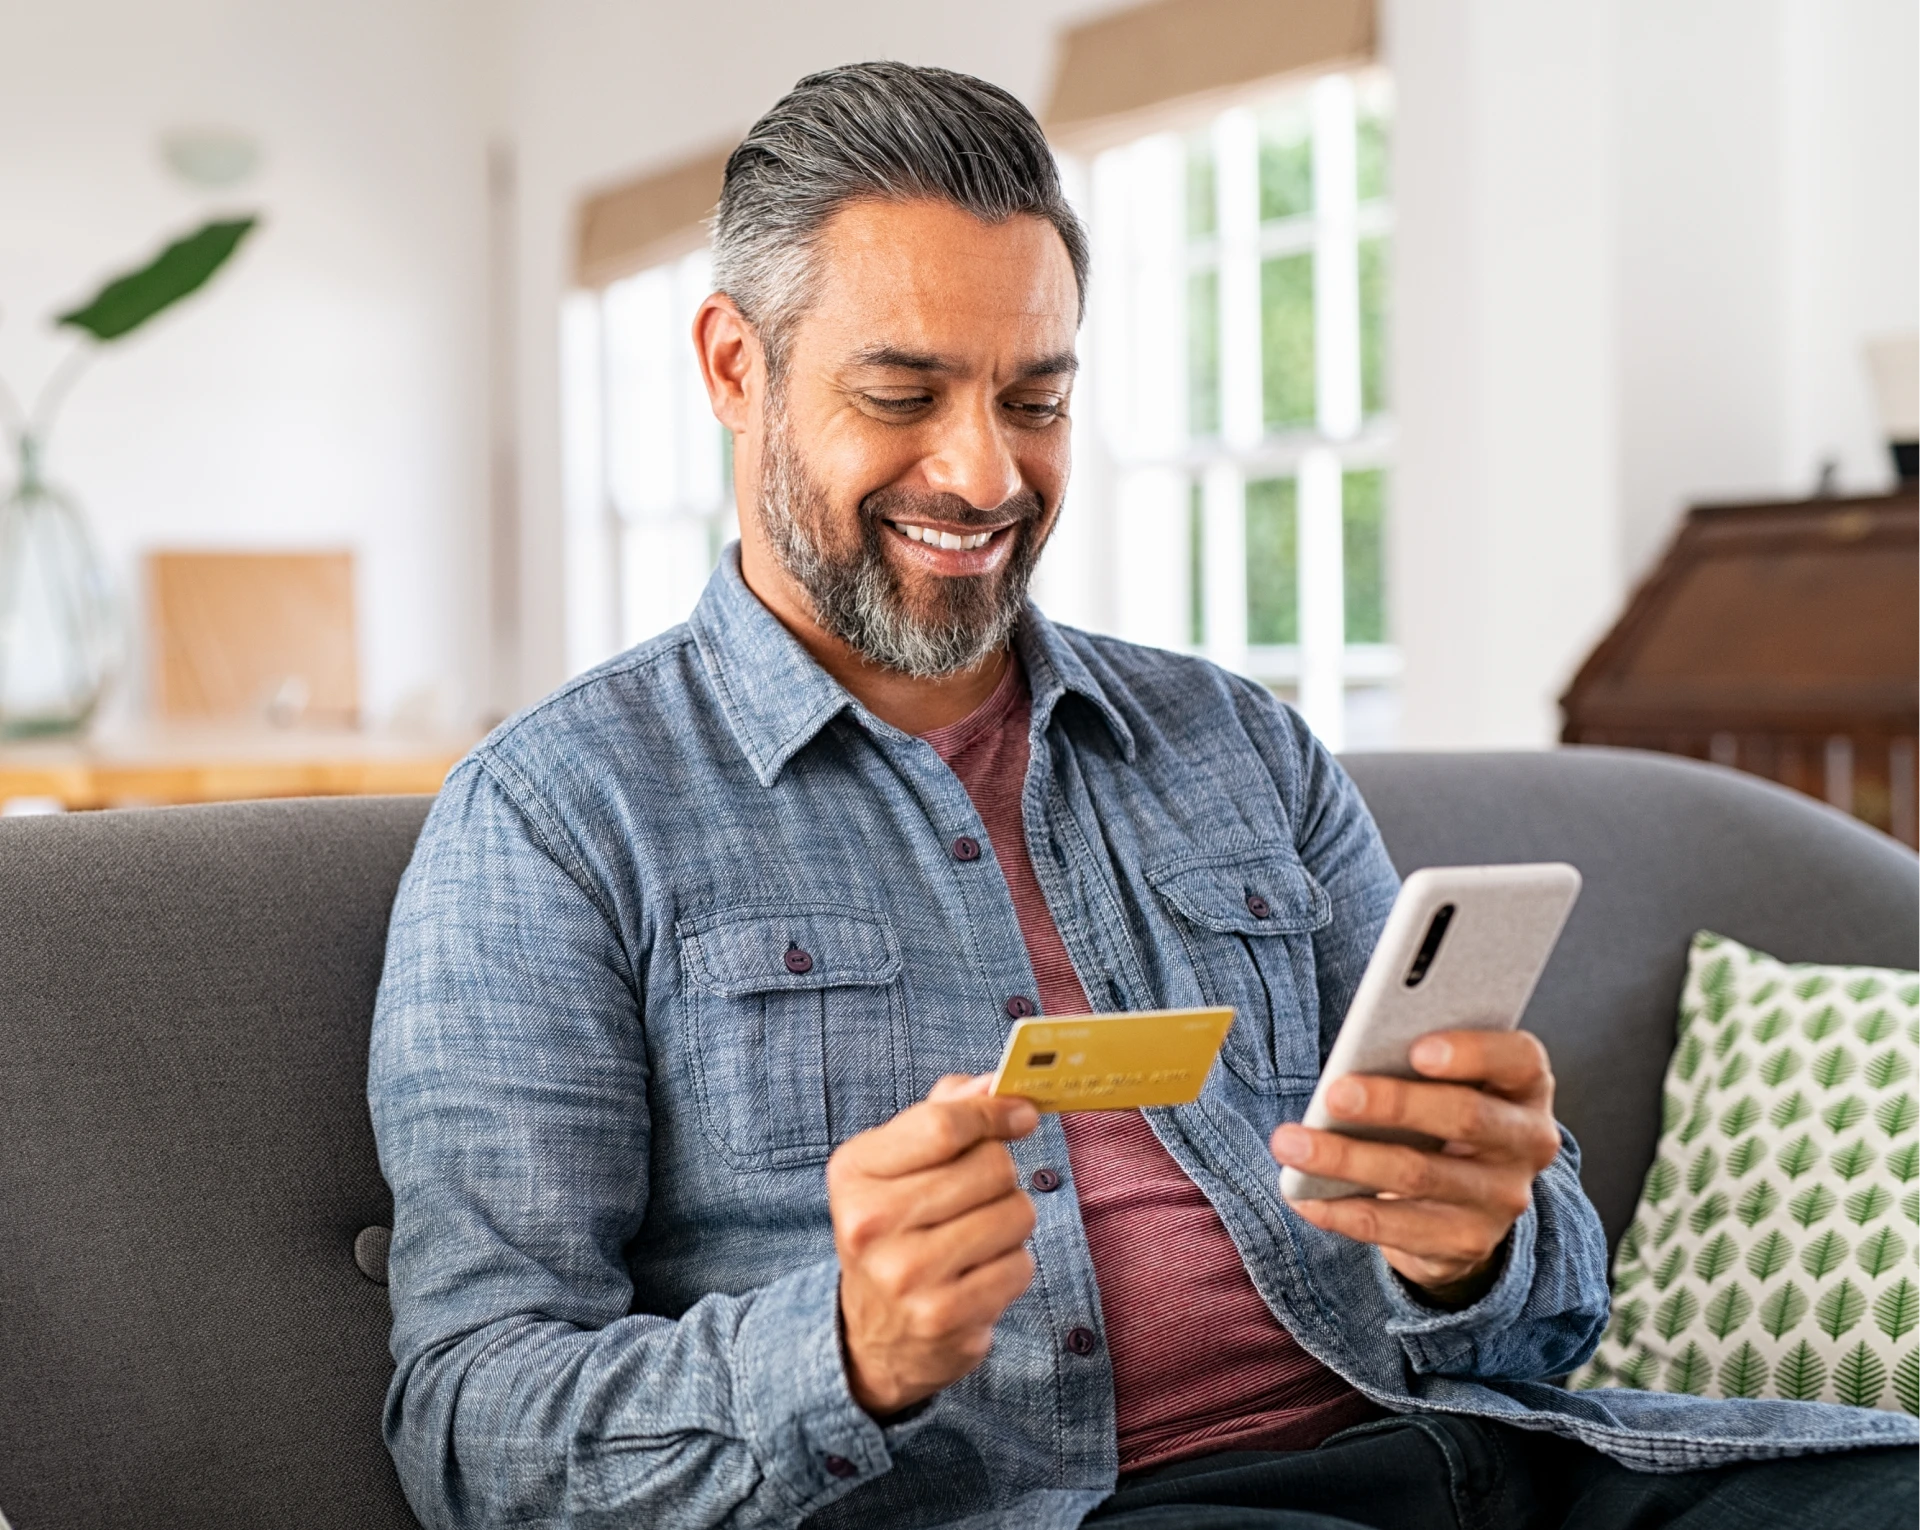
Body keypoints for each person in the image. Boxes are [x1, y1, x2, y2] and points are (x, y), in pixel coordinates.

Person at [368, 61, 1920, 1530]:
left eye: (1035, 402)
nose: (984, 476)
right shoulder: (556, 819)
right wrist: (840, 1353)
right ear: (733, 365)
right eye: (903, 394)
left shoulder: (1239, 746)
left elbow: (1547, 1309)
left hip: (1507, 1459)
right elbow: (470, 1426)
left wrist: (1476, 1247)